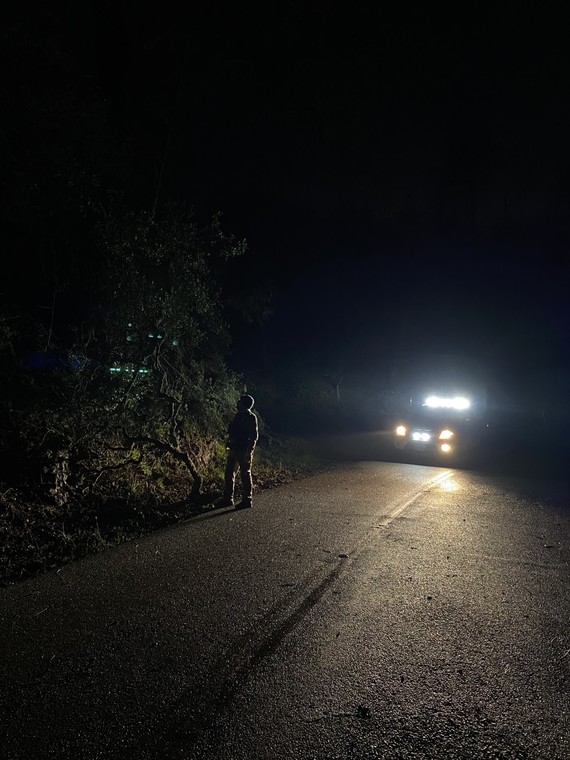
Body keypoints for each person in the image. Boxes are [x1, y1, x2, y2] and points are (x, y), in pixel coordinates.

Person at [218, 394, 258, 510]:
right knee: (229, 473)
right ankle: (228, 498)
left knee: (245, 474)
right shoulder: (238, 415)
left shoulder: (250, 417)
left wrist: (249, 452)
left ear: (244, 404)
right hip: (234, 449)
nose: (238, 403)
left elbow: (254, 436)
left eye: (240, 401)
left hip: (243, 450)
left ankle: (247, 500)